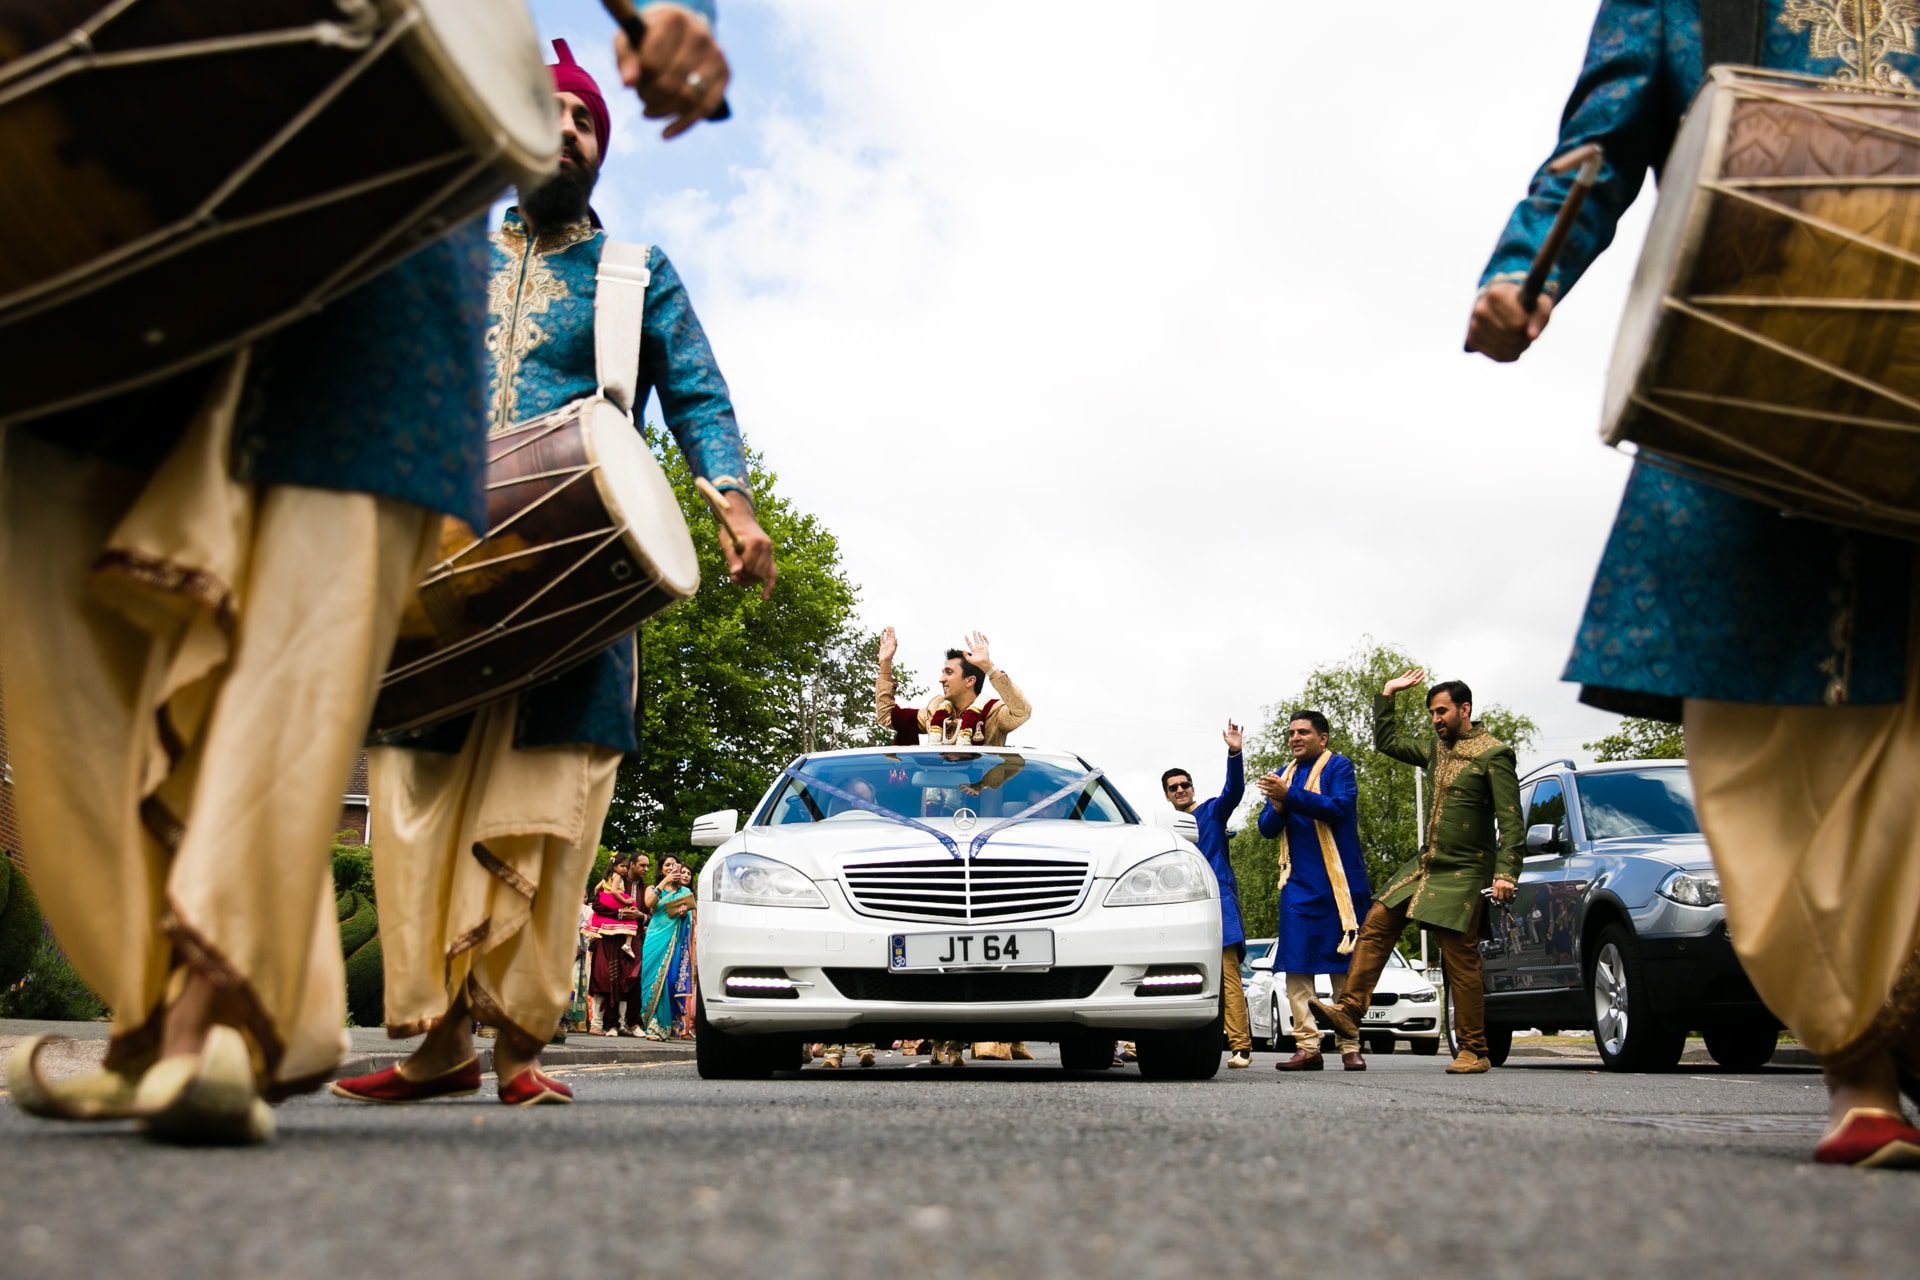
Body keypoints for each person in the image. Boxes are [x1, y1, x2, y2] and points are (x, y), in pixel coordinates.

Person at [1465, 1, 1920, 1168]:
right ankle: (1860, 1066)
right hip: (1739, 410)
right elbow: (1601, 145)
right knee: (1769, 763)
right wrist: (1527, 270)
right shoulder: (1682, 4)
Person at [331, 27, 773, 1110]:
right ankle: (435, 1043)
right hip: (433, 562)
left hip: (576, 577)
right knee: (413, 794)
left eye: (586, 118)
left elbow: (700, 395)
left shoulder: (635, 275)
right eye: (551, 112)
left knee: (553, 799)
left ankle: (521, 1041)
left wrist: (730, 498)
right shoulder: (446, 255)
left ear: (601, 148)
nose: (567, 129)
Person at [1310, 672, 1522, 1076]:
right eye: (1431, 713)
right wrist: (1386, 696)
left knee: (1459, 957)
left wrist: (1505, 872)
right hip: (1427, 862)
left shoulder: (1494, 754)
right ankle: (1351, 1009)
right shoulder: (1435, 749)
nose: (1435, 719)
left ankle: (1475, 1049)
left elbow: (1511, 821)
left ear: (1465, 709)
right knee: (1377, 920)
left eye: (1441, 711)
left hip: (1465, 870)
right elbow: (1386, 742)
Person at [1256, 711, 1372, 1072]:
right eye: (1291, 732)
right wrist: (1277, 804)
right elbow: (1265, 828)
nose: (1294, 737)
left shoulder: (1339, 766)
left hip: (1340, 885)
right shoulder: (1283, 774)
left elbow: (1338, 808)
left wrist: (1290, 796)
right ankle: (1308, 1047)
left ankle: (1350, 1045)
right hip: (1298, 886)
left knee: (1343, 966)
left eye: (1303, 732)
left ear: (1322, 738)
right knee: (1297, 970)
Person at [1162, 721, 1252, 1068]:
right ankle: (1142, 1043)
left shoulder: (1213, 811)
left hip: (1219, 904)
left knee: (1228, 975)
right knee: (1170, 973)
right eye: (1174, 787)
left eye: (1185, 784)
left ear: (1192, 788)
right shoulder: (1165, 829)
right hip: (1181, 907)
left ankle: (1241, 1046)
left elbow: (1235, 790)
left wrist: (1234, 752)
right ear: (1167, 796)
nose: (1181, 790)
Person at [877, 629, 1031, 746]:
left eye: (949, 673)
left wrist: (988, 668)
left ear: (969, 681)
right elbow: (886, 717)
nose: (941, 679)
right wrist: (885, 664)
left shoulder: (993, 713)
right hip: (935, 787)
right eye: (943, 673)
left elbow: (1022, 712)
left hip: (979, 788)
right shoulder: (936, 710)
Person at [638, 856, 696, 1039]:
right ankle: (653, 1025)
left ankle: (667, 1023)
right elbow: (649, 904)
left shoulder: (685, 891)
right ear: (662, 869)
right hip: (655, 938)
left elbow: (689, 917)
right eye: (667, 865)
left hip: (674, 940)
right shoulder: (653, 888)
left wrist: (683, 914)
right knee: (651, 979)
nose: (672, 868)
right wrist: (665, 882)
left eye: (674, 865)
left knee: (670, 981)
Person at [588, 856, 645, 1036]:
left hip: (629, 941)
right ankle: (597, 1023)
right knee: (602, 978)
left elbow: (647, 914)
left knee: (626, 981)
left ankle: (621, 1024)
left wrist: (639, 916)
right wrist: (619, 913)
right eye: (641, 865)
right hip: (606, 939)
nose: (644, 869)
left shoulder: (645, 888)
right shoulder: (616, 881)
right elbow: (597, 903)